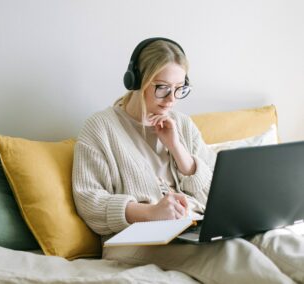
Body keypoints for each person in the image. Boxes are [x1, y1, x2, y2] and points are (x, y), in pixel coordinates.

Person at [72, 37, 304, 284]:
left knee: (276, 240)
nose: (171, 99)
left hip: (193, 227)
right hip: (132, 240)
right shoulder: (100, 128)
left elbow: (215, 192)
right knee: (235, 255)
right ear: (136, 81)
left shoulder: (181, 124)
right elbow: (89, 201)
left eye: (179, 88)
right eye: (162, 87)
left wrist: (178, 148)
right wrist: (150, 212)